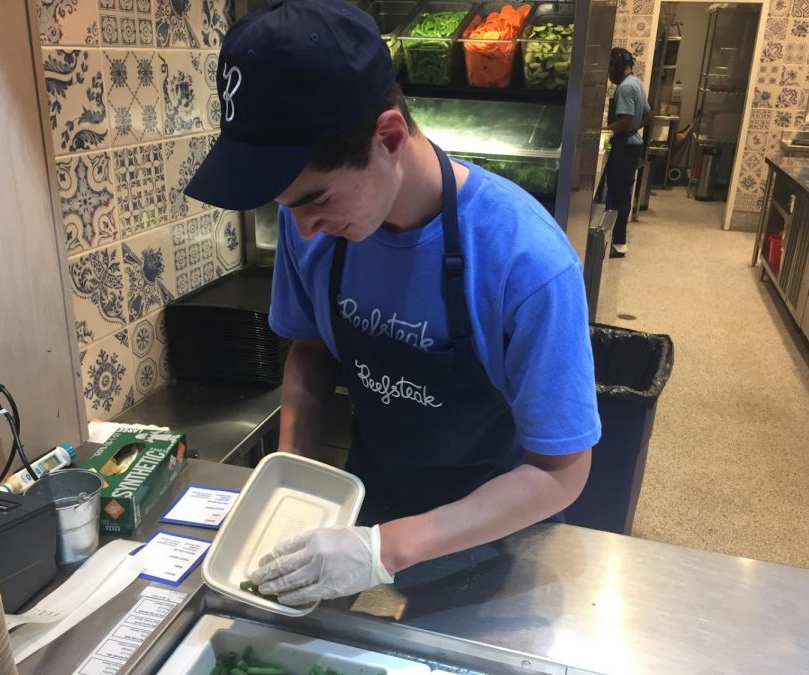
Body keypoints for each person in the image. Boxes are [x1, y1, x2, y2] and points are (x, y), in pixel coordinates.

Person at [185, 0, 600, 607]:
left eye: (316, 199)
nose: (301, 232)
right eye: (285, 205)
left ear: (389, 136)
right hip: (362, 500)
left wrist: (385, 550)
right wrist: (290, 484)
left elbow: (561, 472)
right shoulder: (319, 229)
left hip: (493, 531)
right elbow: (309, 352)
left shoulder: (526, 261)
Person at [605, 47, 651, 258]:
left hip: (625, 147)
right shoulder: (637, 84)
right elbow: (648, 114)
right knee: (623, 192)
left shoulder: (625, 88)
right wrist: (635, 128)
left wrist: (606, 129)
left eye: (611, 66)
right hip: (633, 145)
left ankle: (619, 243)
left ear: (618, 66)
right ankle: (616, 239)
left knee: (618, 194)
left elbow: (624, 119)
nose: (610, 72)